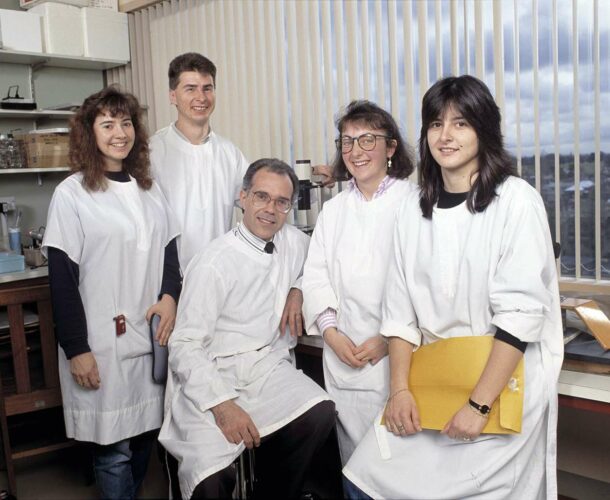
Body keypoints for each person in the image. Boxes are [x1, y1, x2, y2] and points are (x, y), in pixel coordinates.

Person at [343, 75, 563, 499]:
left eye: (460, 124)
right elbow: (400, 314)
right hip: (432, 382)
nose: (445, 136)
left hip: (496, 388)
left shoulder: (515, 200)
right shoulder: (412, 207)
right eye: (435, 124)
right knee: (362, 480)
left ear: (484, 130)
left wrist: (479, 406)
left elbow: (519, 318)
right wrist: (400, 391)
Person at [159, 159, 336, 499]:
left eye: (281, 202)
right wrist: (223, 406)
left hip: (263, 368)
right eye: (261, 197)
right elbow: (185, 345)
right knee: (210, 479)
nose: (271, 209)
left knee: (319, 412)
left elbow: (316, 264)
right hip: (212, 375)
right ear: (243, 197)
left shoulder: (293, 241)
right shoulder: (213, 262)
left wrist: (298, 292)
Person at [42, 86, 181, 499]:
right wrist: (76, 348)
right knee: (113, 449)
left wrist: (171, 297)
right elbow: (61, 279)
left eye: (125, 123)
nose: (119, 133)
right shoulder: (72, 194)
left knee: (143, 438)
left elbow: (170, 254)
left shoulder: (150, 189)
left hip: (148, 336)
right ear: (90, 133)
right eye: (107, 124)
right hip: (101, 342)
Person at [150, 51, 327, 336]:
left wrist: (297, 286)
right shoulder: (152, 153)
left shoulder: (228, 153)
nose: (201, 97)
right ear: (173, 96)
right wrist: (167, 294)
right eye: (190, 88)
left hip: (220, 286)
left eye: (207, 88)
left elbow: (263, 208)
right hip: (169, 289)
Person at [302, 100, 416, 466]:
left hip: (400, 361)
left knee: (402, 469)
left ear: (391, 148)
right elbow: (316, 275)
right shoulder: (333, 212)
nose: (356, 151)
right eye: (347, 142)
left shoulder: (414, 205)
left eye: (368, 140)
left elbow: (423, 284)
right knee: (356, 468)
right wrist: (331, 334)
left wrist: (389, 340)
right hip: (344, 361)